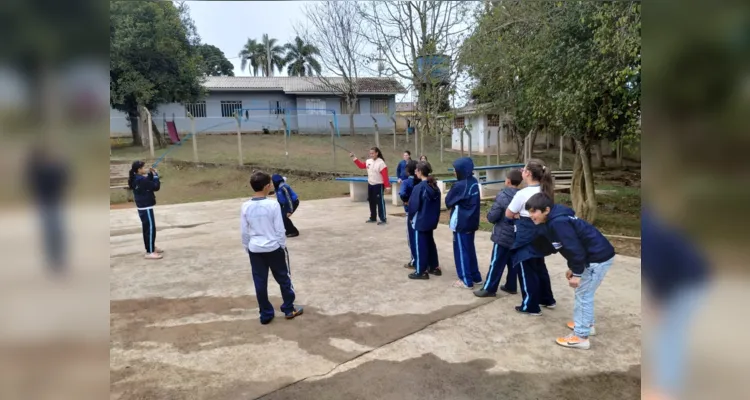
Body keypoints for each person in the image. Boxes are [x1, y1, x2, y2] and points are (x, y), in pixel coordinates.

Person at [525, 192, 615, 350]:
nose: (531, 215)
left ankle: (581, 337)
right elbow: (569, 246)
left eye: (534, 211)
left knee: (583, 295)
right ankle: (587, 325)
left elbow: (574, 248)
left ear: (546, 210)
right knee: (584, 293)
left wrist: (578, 273)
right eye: (529, 211)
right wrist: (573, 267)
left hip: (597, 259)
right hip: (594, 257)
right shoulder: (554, 219)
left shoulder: (558, 222)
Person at [241, 171, 303, 325]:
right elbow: (280, 230)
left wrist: (248, 247)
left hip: (255, 249)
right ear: (267, 186)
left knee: (260, 281)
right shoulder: (273, 204)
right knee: (283, 278)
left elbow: (244, 231)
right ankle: (289, 308)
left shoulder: (245, 206)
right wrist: (281, 245)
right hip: (274, 248)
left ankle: (266, 314)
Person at [505, 159, 557, 315]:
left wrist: (516, 216)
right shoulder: (546, 190)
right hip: (542, 232)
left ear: (527, 173)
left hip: (525, 234)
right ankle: (547, 299)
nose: (522, 171)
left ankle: (530, 305)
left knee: (526, 269)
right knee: (539, 266)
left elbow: (508, 214)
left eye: (523, 169)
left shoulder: (522, 194)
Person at [474, 169, 523, 297]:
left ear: (508, 181)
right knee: (513, 262)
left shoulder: (503, 195)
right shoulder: (523, 196)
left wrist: (489, 215)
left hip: (503, 234)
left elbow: (493, 216)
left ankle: (489, 288)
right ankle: (511, 285)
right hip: (517, 234)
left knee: (496, 262)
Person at [25, 144, 69, 275]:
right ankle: (55, 261)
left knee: (54, 232)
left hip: (50, 202)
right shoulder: (39, 169)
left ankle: (57, 260)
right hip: (48, 202)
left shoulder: (46, 168)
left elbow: (64, 178)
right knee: (52, 233)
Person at [445, 157, 482, 288]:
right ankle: (475, 276)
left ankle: (465, 280)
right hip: (472, 221)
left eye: (456, 170)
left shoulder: (460, 185)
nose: (454, 172)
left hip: (461, 222)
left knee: (461, 251)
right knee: (470, 249)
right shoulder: (474, 182)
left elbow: (448, 201)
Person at [407, 161, 442, 279]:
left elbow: (413, 206)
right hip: (431, 220)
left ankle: (421, 271)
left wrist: (411, 217)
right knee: (430, 243)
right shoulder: (435, 186)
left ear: (420, 172)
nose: (415, 172)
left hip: (420, 221)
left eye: (416, 170)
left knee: (420, 245)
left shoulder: (419, 187)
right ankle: (434, 266)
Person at [129, 160, 163, 260]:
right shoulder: (141, 180)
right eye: (143, 167)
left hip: (142, 206)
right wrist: (156, 175)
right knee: (150, 229)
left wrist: (150, 175)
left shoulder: (136, 178)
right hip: (146, 207)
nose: (145, 169)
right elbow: (155, 187)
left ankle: (151, 246)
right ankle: (150, 252)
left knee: (147, 228)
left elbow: (146, 183)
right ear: (139, 170)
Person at [350, 147, 391, 225]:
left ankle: (383, 219)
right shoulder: (368, 161)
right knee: (371, 201)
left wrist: (387, 186)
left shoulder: (381, 163)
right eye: (370, 153)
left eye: (373, 153)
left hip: (378, 185)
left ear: (377, 153)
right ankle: (373, 217)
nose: (371, 155)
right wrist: (354, 158)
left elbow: (385, 176)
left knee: (380, 202)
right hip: (370, 184)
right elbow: (361, 166)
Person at [399, 160, 420, 269]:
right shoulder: (421, 181)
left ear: (408, 171)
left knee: (412, 238)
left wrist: (406, 200)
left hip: (411, 213)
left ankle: (414, 261)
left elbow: (402, 193)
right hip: (422, 213)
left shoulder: (407, 182)